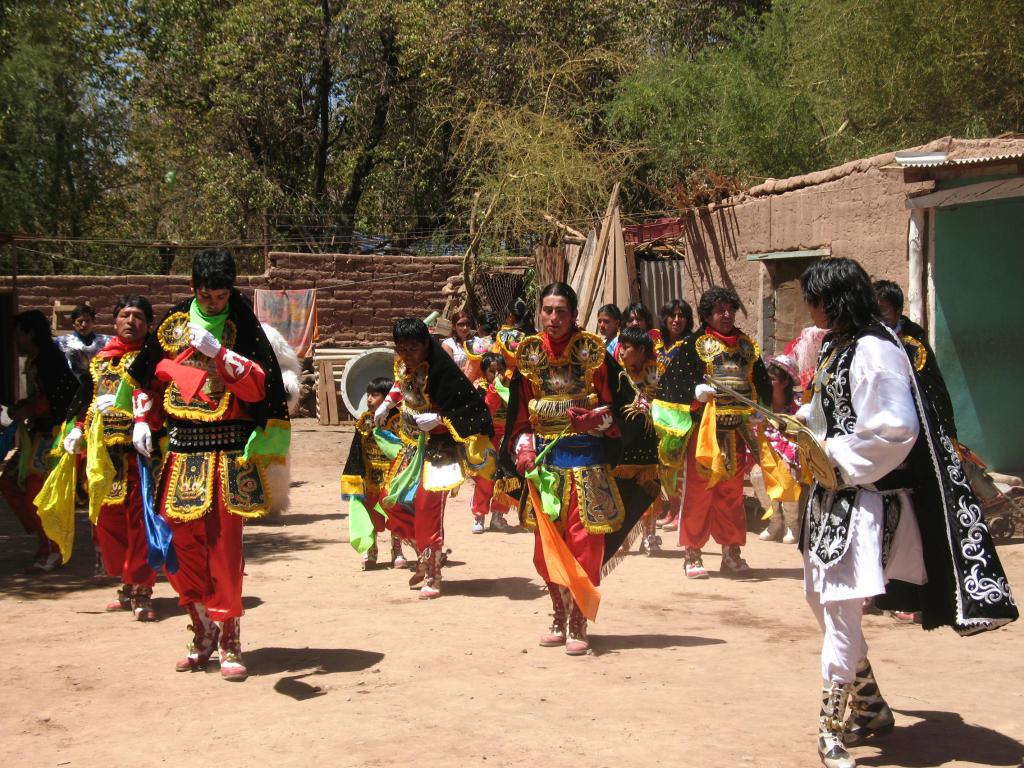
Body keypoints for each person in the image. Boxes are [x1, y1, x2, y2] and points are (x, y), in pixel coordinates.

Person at [797, 258, 1017, 768]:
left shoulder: (875, 351)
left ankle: (831, 727)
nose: (809, 308)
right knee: (822, 605)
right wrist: (802, 425)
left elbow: (895, 429)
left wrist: (834, 456)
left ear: (834, 299)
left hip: (865, 502)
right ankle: (871, 705)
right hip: (829, 502)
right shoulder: (838, 346)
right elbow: (830, 409)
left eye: (814, 298)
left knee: (841, 612)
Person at [127, 249, 291, 681]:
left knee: (224, 551)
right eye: (207, 294)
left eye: (221, 295)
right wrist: (142, 420)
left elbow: (261, 390)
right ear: (192, 289)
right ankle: (202, 631)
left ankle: (230, 638)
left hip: (228, 457)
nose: (215, 302)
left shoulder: (244, 328)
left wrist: (221, 354)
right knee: (182, 552)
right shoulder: (172, 325)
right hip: (182, 456)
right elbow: (146, 380)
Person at [504, 283, 638, 655]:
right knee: (548, 547)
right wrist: (525, 449)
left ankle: (579, 617)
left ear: (575, 315)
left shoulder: (594, 354)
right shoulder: (529, 356)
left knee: (585, 547)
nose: (553, 318)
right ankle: (558, 613)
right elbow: (519, 417)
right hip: (546, 469)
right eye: (547, 310)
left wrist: (594, 420)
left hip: (589, 465)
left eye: (561, 311)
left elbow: (621, 410)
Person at [652, 286, 771, 579]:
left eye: (730, 308)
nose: (727, 314)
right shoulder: (692, 346)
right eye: (720, 310)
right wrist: (695, 396)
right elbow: (671, 388)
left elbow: (761, 382)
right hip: (704, 435)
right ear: (707, 315)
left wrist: (760, 408)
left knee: (732, 496)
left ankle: (731, 553)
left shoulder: (746, 346)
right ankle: (692, 553)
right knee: (699, 493)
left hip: (736, 435)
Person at [375, 318, 495, 599]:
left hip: (440, 447)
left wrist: (440, 418)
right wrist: (386, 404)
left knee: (428, 507)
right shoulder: (404, 365)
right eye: (402, 349)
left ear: (426, 345)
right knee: (388, 498)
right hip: (411, 444)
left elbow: (471, 409)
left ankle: (433, 572)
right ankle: (424, 552)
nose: (408, 354)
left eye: (413, 348)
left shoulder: (442, 372)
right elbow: (400, 384)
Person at [63, 295, 159, 619]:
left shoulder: (154, 360)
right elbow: (85, 398)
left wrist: (139, 418)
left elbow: (161, 399)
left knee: (141, 526)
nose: (130, 321)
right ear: (115, 321)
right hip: (105, 458)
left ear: (148, 325)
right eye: (124, 315)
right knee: (108, 523)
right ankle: (128, 582)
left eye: (138, 317)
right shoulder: (101, 360)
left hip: (141, 457)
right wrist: (77, 428)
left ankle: (142, 590)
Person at [0, 311, 79, 571]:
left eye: (19, 333)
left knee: (39, 491)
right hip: (36, 435)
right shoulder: (35, 360)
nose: (16, 339)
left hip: (54, 435)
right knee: (10, 481)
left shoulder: (50, 359)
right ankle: (43, 540)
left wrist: (30, 409)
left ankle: (55, 547)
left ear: (30, 333)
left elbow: (60, 397)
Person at [873, 280, 957, 441]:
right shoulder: (864, 339)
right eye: (873, 312)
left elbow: (934, 390)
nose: (877, 318)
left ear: (898, 312)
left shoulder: (915, 345)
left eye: (883, 311)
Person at [340, 376, 408, 570]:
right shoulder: (365, 421)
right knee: (370, 514)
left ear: (388, 397)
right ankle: (371, 549)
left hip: (394, 476)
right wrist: (354, 477)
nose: (369, 398)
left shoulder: (400, 421)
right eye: (368, 394)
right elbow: (356, 450)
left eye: (375, 394)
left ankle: (397, 549)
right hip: (371, 477)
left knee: (396, 513)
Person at [611, 327, 664, 556]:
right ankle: (620, 534)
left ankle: (649, 534)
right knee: (620, 490)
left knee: (650, 489)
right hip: (623, 441)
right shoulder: (616, 373)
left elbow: (668, 403)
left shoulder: (659, 372)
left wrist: (652, 407)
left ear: (641, 350)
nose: (622, 352)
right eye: (621, 347)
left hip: (650, 440)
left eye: (627, 347)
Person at [654, 298, 694, 531]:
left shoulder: (690, 344)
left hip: (682, 412)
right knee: (664, 463)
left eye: (682, 316)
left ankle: (681, 512)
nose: (677, 320)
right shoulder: (658, 346)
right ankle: (672, 507)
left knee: (679, 463)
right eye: (673, 316)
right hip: (660, 410)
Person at [755, 353, 800, 545]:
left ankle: (792, 523)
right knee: (757, 474)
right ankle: (775, 520)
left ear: (784, 382)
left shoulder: (798, 405)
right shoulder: (761, 404)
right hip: (766, 451)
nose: (767, 382)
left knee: (787, 473)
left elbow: (801, 433)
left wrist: (788, 455)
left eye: (772, 379)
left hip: (794, 452)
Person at [471, 352, 514, 533]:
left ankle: (498, 516)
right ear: (484, 372)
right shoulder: (479, 388)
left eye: (500, 370)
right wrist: (495, 390)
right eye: (491, 371)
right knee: (485, 478)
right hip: (486, 438)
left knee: (505, 476)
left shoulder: (511, 386)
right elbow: (486, 410)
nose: (496, 374)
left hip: (507, 437)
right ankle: (479, 516)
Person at [57, 303, 113, 381]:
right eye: (80, 321)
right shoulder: (62, 343)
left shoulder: (106, 342)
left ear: (93, 321)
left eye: (87, 321)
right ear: (73, 323)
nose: (84, 325)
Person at [495, 298, 534, 378]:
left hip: (510, 379)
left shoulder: (503, 336)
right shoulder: (534, 335)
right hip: (532, 379)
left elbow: (496, 360)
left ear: (510, 316)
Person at [463, 310, 499, 383]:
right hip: (500, 388)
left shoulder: (477, 347)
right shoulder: (501, 344)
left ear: (479, 326)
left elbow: (470, 373)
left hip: (481, 389)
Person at [441, 309, 474, 376]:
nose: (465, 327)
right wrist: (471, 368)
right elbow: (450, 370)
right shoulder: (448, 344)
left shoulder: (477, 341)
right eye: (461, 324)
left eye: (468, 324)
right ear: (453, 327)